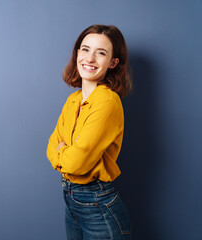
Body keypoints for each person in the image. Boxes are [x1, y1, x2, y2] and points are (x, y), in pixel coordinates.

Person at [46, 24, 132, 240]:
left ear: (113, 63)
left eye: (100, 53)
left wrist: (62, 153)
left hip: (98, 205)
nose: (90, 58)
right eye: (85, 49)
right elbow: (50, 148)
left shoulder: (108, 101)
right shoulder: (73, 100)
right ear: (77, 54)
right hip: (71, 201)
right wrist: (65, 153)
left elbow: (77, 163)